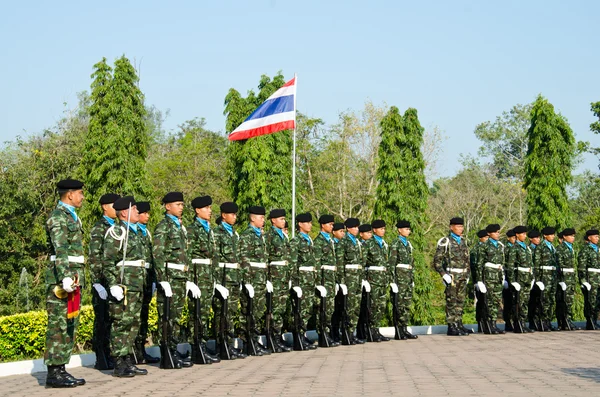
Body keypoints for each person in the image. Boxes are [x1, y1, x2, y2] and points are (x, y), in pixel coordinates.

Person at [44, 179, 86, 388]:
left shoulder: (71, 216)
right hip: (63, 279)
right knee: (58, 325)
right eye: (79, 193)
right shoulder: (58, 216)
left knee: (69, 324)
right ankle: (54, 372)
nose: (82, 197)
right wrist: (65, 276)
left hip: (73, 276)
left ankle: (61, 369)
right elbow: (60, 248)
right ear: (69, 194)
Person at [103, 196, 148, 377]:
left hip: (137, 285)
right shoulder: (117, 232)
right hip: (124, 286)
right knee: (121, 324)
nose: (138, 211)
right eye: (135, 209)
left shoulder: (136, 232)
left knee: (133, 324)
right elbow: (107, 261)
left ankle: (128, 358)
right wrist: (113, 284)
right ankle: (119, 362)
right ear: (124, 212)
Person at [153, 192, 198, 368]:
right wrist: (162, 279)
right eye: (178, 204)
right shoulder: (163, 226)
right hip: (170, 277)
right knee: (167, 316)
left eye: (182, 204)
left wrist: (187, 278)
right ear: (167, 206)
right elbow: (158, 254)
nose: (181, 207)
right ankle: (166, 352)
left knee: (176, 316)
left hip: (180, 277)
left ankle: (173, 349)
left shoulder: (180, 227)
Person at [187, 195, 220, 361]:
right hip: (197, 274)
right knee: (197, 313)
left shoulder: (209, 230)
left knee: (205, 313)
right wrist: (190, 280)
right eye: (206, 208)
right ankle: (196, 348)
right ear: (197, 210)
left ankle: (202, 346)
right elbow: (187, 255)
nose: (210, 211)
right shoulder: (192, 230)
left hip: (207, 275)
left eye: (210, 208)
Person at [88, 193, 120, 370]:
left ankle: (110, 354)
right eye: (113, 205)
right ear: (104, 207)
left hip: (113, 280)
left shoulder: (116, 228)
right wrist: (96, 282)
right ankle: (100, 355)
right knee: (101, 319)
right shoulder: (99, 228)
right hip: (102, 281)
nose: (116, 208)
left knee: (112, 318)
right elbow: (95, 256)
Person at [212, 202, 247, 358]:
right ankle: (221, 344)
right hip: (223, 278)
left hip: (233, 278)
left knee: (231, 312)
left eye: (235, 214)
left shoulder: (234, 234)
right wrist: (217, 281)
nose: (235, 217)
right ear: (223, 215)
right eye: (232, 214)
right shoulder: (217, 233)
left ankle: (228, 343)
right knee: (221, 312)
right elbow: (215, 258)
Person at [238, 205, 271, 355]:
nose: (263, 220)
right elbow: (244, 259)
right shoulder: (247, 235)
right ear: (252, 218)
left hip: (261, 278)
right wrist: (247, 281)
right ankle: (247, 341)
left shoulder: (260, 235)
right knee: (249, 311)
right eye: (261, 217)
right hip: (252, 278)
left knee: (258, 311)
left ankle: (254, 340)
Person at [433, 217, 472, 336]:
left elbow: (467, 260)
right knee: (451, 301)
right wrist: (444, 275)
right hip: (452, 275)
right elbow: (437, 261)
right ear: (451, 227)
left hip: (463, 275)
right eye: (458, 226)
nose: (461, 229)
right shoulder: (446, 241)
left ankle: (459, 323)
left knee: (460, 301)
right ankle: (451, 326)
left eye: (462, 226)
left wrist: (468, 274)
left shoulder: (463, 241)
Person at [133, 201, 160, 365]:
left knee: (144, 316)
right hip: (136, 279)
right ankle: (133, 352)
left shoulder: (146, 233)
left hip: (146, 279)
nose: (147, 215)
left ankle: (141, 350)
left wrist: (154, 280)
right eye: (145, 213)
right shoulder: (133, 232)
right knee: (134, 317)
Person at [264, 209, 292, 353]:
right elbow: (266, 258)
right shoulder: (269, 235)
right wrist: (267, 279)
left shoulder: (283, 236)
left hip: (283, 277)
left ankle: (278, 336)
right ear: (273, 220)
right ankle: (272, 339)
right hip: (274, 277)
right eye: (281, 219)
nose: (283, 221)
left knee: (281, 309)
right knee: (273, 309)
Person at [289, 212, 318, 350]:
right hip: (301, 280)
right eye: (307, 222)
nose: (310, 225)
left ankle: (303, 334)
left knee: (307, 310)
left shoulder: (308, 240)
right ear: (300, 224)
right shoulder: (296, 241)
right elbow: (293, 263)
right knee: (300, 310)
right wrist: (295, 284)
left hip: (309, 280)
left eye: (311, 222)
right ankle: (298, 336)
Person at [335, 218, 366, 345]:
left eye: (357, 227)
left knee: (355, 306)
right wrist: (342, 281)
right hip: (348, 278)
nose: (357, 229)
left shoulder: (357, 242)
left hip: (357, 277)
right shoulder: (344, 242)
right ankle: (346, 333)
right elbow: (340, 261)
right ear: (348, 228)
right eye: (354, 227)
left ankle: (351, 332)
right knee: (348, 306)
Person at [388, 220, 418, 339]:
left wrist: (412, 278)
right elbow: (391, 263)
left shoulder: (408, 244)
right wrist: (392, 281)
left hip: (407, 278)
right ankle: (398, 330)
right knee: (398, 304)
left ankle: (404, 328)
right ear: (399, 230)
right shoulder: (396, 243)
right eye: (406, 229)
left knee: (406, 304)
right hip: (399, 278)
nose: (408, 231)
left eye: (409, 229)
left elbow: (412, 263)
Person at [313, 214, 339, 346]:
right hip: (323, 279)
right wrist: (318, 283)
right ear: (323, 225)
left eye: (333, 224)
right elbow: (316, 264)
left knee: (330, 308)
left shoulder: (330, 240)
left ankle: (327, 333)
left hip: (330, 278)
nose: (332, 226)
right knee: (322, 308)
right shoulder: (318, 242)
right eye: (330, 224)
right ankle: (322, 334)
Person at [476, 224, 505, 334]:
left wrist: (503, 276)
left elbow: (502, 263)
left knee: (497, 300)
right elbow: (479, 264)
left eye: (498, 232)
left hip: (497, 276)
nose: (498, 234)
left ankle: (494, 323)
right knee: (489, 301)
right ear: (489, 233)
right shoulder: (484, 246)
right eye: (495, 232)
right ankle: (488, 324)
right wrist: (479, 281)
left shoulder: (500, 246)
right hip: (488, 276)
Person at [363, 219, 390, 342]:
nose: (383, 231)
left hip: (383, 279)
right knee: (372, 306)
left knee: (381, 306)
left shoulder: (384, 244)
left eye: (384, 229)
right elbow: (363, 262)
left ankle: (376, 329)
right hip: (372, 279)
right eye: (381, 229)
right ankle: (369, 331)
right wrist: (364, 279)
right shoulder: (368, 243)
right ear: (374, 230)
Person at [506, 226, 535, 333]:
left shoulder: (527, 248)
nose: (525, 236)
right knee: (518, 301)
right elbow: (510, 265)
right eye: (522, 234)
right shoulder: (514, 248)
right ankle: (517, 324)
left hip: (527, 277)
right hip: (519, 277)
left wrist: (532, 277)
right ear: (517, 235)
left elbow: (531, 264)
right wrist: (512, 280)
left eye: (525, 234)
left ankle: (523, 322)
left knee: (525, 301)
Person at [534, 227, 558, 331]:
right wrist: (538, 279)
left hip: (552, 276)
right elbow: (536, 263)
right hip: (544, 276)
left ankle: (548, 321)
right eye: (551, 234)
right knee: (544, 300)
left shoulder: (552, 246)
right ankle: (542, 321)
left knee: (551, 300)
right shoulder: (540, 247)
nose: (553, 236)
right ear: (545, 235)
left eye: (553, 234)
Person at [555, 228, 580, 330]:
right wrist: (561, 280)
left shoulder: (571, 248)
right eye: (570, 236)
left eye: (573, 236)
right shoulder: (560, 248)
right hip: (564, 277)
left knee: (569, 300)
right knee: (562, 300)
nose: (572, 238)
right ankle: (562, 321)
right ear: (564, 237)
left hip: (570, 278)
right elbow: (559, 265)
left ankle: (568, 320)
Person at [577, 229, 600, 330]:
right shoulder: (585, 250)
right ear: (589, 238)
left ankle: (594, 320)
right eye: (595, 236)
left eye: (598, 236)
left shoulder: (597, 249)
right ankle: (590, 321)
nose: (597, 238)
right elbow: (581, 267)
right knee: (590, 301)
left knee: (597, 301)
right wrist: (583, 281)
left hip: (598, 278)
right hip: (590, 278)